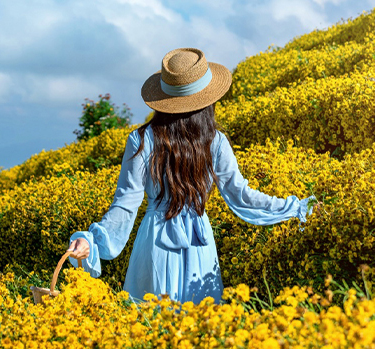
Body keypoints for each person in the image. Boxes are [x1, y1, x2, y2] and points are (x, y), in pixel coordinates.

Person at [65, 47, 322, 305]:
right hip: (199, 243)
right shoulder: (215, 141)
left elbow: (125, 203)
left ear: (163, 98)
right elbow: (242, 195)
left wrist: (92, 240)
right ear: (207, 98)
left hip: (155, 241)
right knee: (199, 328)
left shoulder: (142, 140)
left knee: (151, 327)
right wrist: (296, 207)